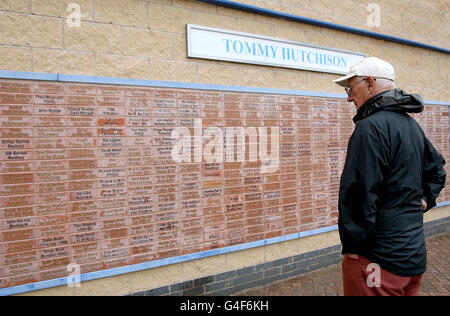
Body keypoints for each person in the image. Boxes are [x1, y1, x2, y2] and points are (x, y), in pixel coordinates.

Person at [332, 57, 446, 296]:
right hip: (412, 259)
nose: (349, 97)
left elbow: (359, 194)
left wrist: (354, 250)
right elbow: (437, 169)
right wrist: (425, 200)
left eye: (351, 88)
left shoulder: (369, 128)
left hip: (377, 263)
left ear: (370, 83)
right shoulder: (410, 125)